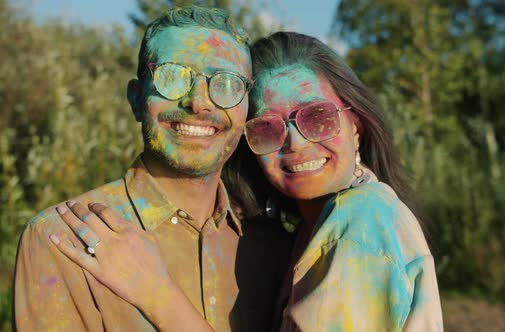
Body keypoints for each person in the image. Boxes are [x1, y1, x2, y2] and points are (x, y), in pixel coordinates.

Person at [53, 32, 444, 331]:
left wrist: (156, 292)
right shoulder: (303, 234)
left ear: (356, 123)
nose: (296, 142)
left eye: (316, 117)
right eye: (267, 128)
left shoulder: (362, 220)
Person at [13, 7, 291, 332]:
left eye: (226, 84)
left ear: (247, 108)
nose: (198, 102)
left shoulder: (274, 247)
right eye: (172, 76)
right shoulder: (62, 240)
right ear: (135, 99)